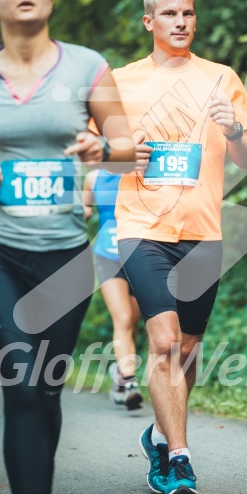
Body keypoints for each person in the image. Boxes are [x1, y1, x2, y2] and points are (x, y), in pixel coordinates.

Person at [0, 0, 135, 494]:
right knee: (21, 386)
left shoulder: (85, 66)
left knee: (43, 389)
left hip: (65, 259)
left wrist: (104, 148)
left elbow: (129, 151)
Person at [112, 0, 247, 494]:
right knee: (166, 343)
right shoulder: (120, 80)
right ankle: (178, 461)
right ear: (149, 22)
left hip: (202, 232)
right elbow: (95, 152)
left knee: (187, 353)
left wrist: (237, 128)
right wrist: (122, 157)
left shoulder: (222, 78)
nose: (181, 21)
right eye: (169, 13)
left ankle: (157, 435)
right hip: (141, 228)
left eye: (188, 13)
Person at [83, 168, 143, 410]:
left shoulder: (142, 171)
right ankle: (130, 383)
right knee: (124, 318)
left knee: (134, 322)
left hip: (140, 253)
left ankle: (120, 371)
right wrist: (81, 212)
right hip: (107, 255)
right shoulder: (93, 177)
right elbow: (84, 209)